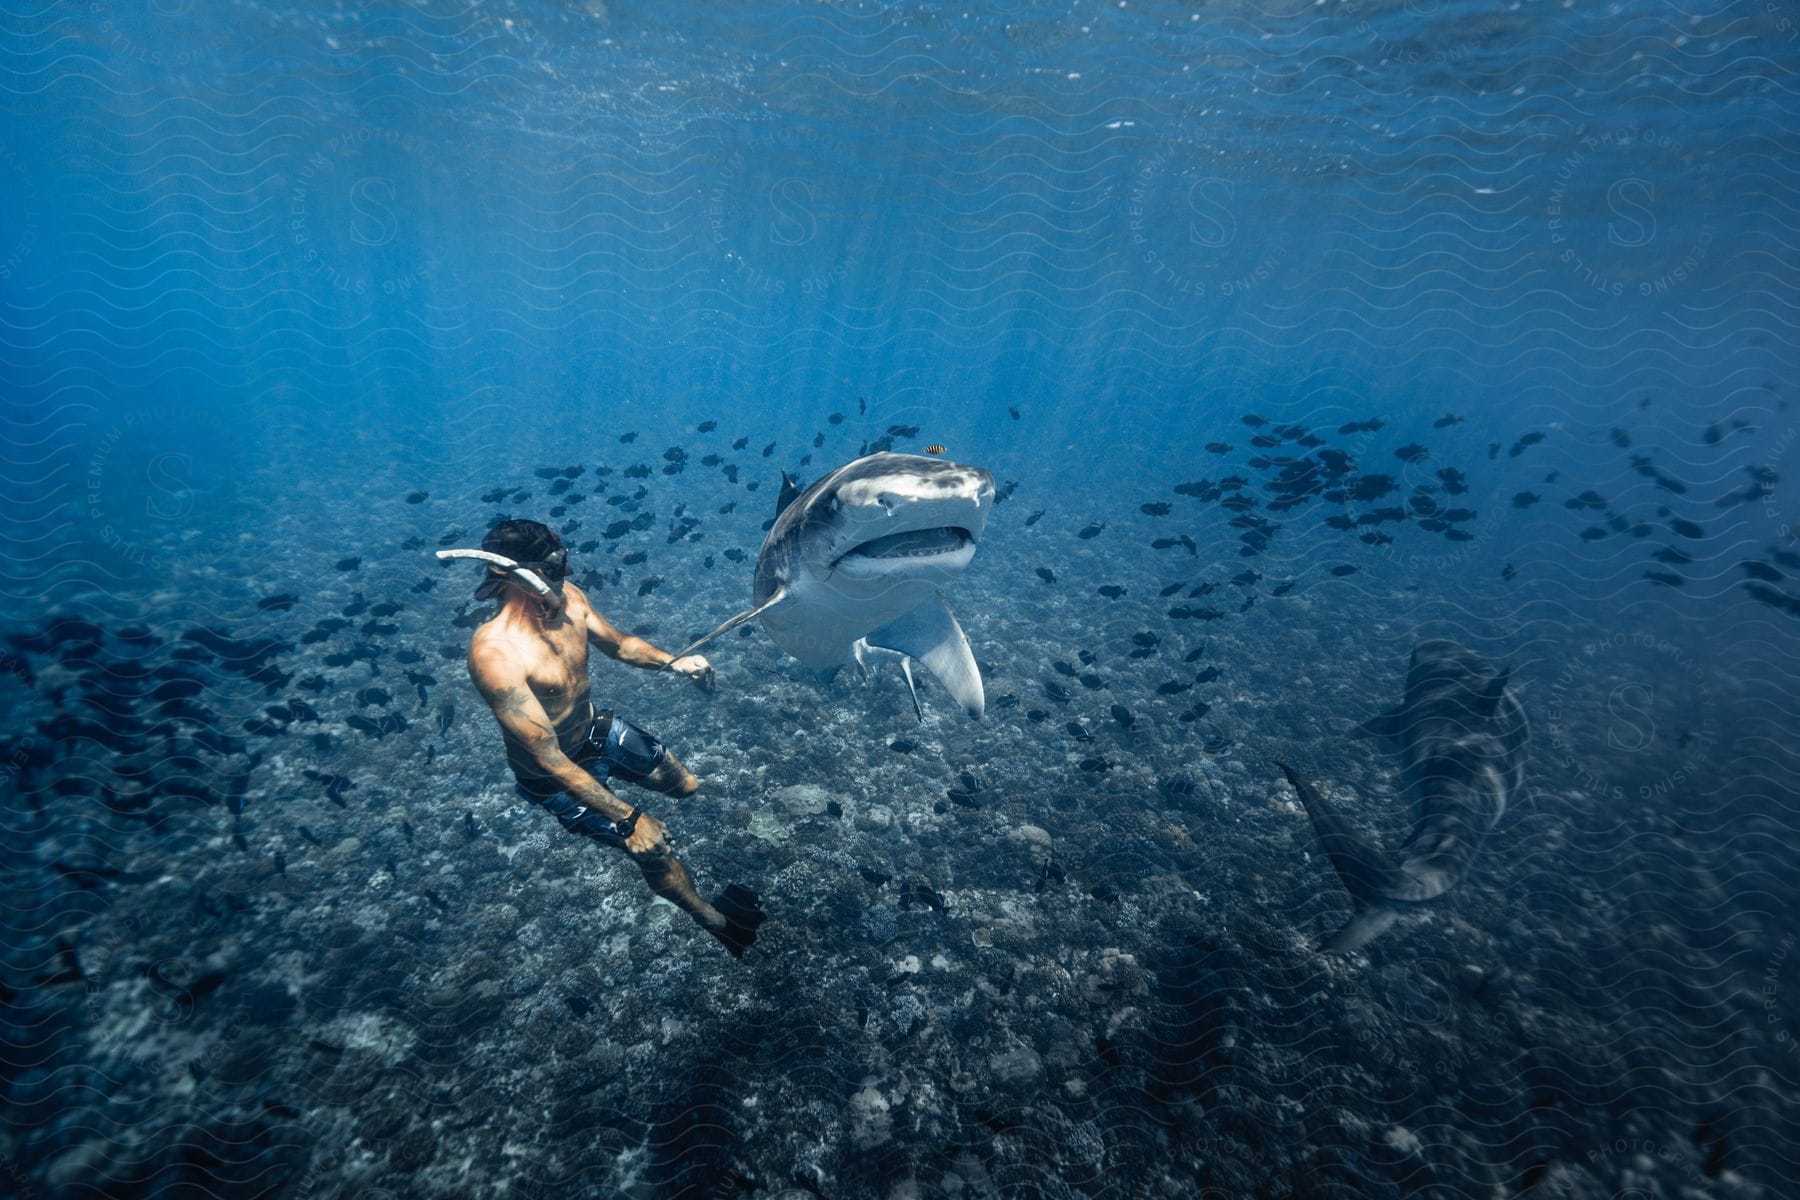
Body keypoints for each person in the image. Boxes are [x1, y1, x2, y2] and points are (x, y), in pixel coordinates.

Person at [449, 518, 765, 957]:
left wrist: (674, 661)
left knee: (686, 786)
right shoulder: (495, 654)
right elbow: (549, 760)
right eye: (552, 572)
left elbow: (618, 645)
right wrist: (632, 819)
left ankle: (654, 831)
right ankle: (717, 922)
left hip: (596, 731)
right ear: (509, 575)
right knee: (652, 851)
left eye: (562, 568)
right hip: (553, 775)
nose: (564, 581)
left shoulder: (571, 600)